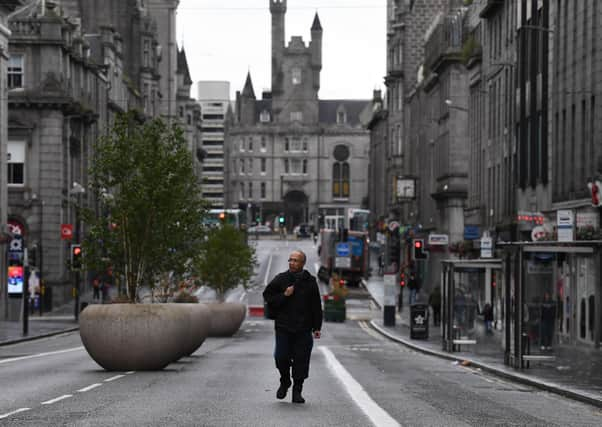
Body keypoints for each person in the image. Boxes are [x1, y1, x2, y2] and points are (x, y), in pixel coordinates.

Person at [263, 250, 322, 404]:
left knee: (301, 361)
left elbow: (316, 306)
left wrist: (317, 327)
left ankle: (297, 390)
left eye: (296, 260)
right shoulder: (281, 279)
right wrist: (284, 295)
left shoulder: (310, 282)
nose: (292, 263)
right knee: (280, 357)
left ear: (303, 263)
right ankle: (285, 381)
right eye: (290, 260)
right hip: (283, 327)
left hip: (303, 328)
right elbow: (268, 296)